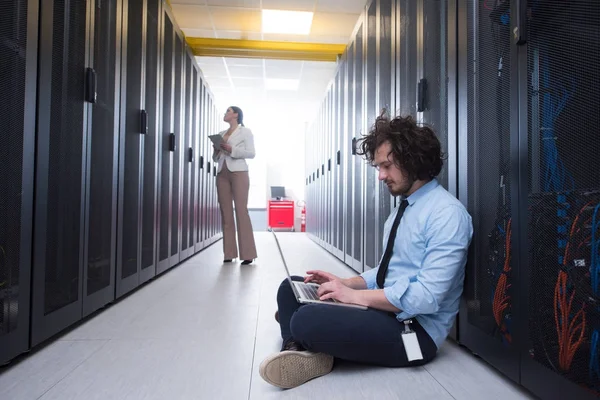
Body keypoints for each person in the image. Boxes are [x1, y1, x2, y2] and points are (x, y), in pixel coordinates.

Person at [258, 114, 473, 389]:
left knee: (304, 318)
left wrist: (354, 297)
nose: (381, 175)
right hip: (385, 312)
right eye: (378, 167)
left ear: (414, 160)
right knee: (289, 288)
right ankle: (302, 350)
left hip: (414, 331)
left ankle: (302, 335)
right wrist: (344, 283)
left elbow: (427, 298)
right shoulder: (402, 209)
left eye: (387, 166)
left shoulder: (447, 215)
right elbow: (386, 272)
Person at [213, 106, 257, 265]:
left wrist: (232, 149)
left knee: (240, 210)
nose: (225, 114)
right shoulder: (221, 134)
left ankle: (248, 254)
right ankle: (229, 253)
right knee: (226, 213)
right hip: (222, 172)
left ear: (236, 114)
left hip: (239, 172)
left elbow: (251, 153)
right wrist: (217, 150)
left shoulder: (245, 131)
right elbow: (215, 158)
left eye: (228, 111)